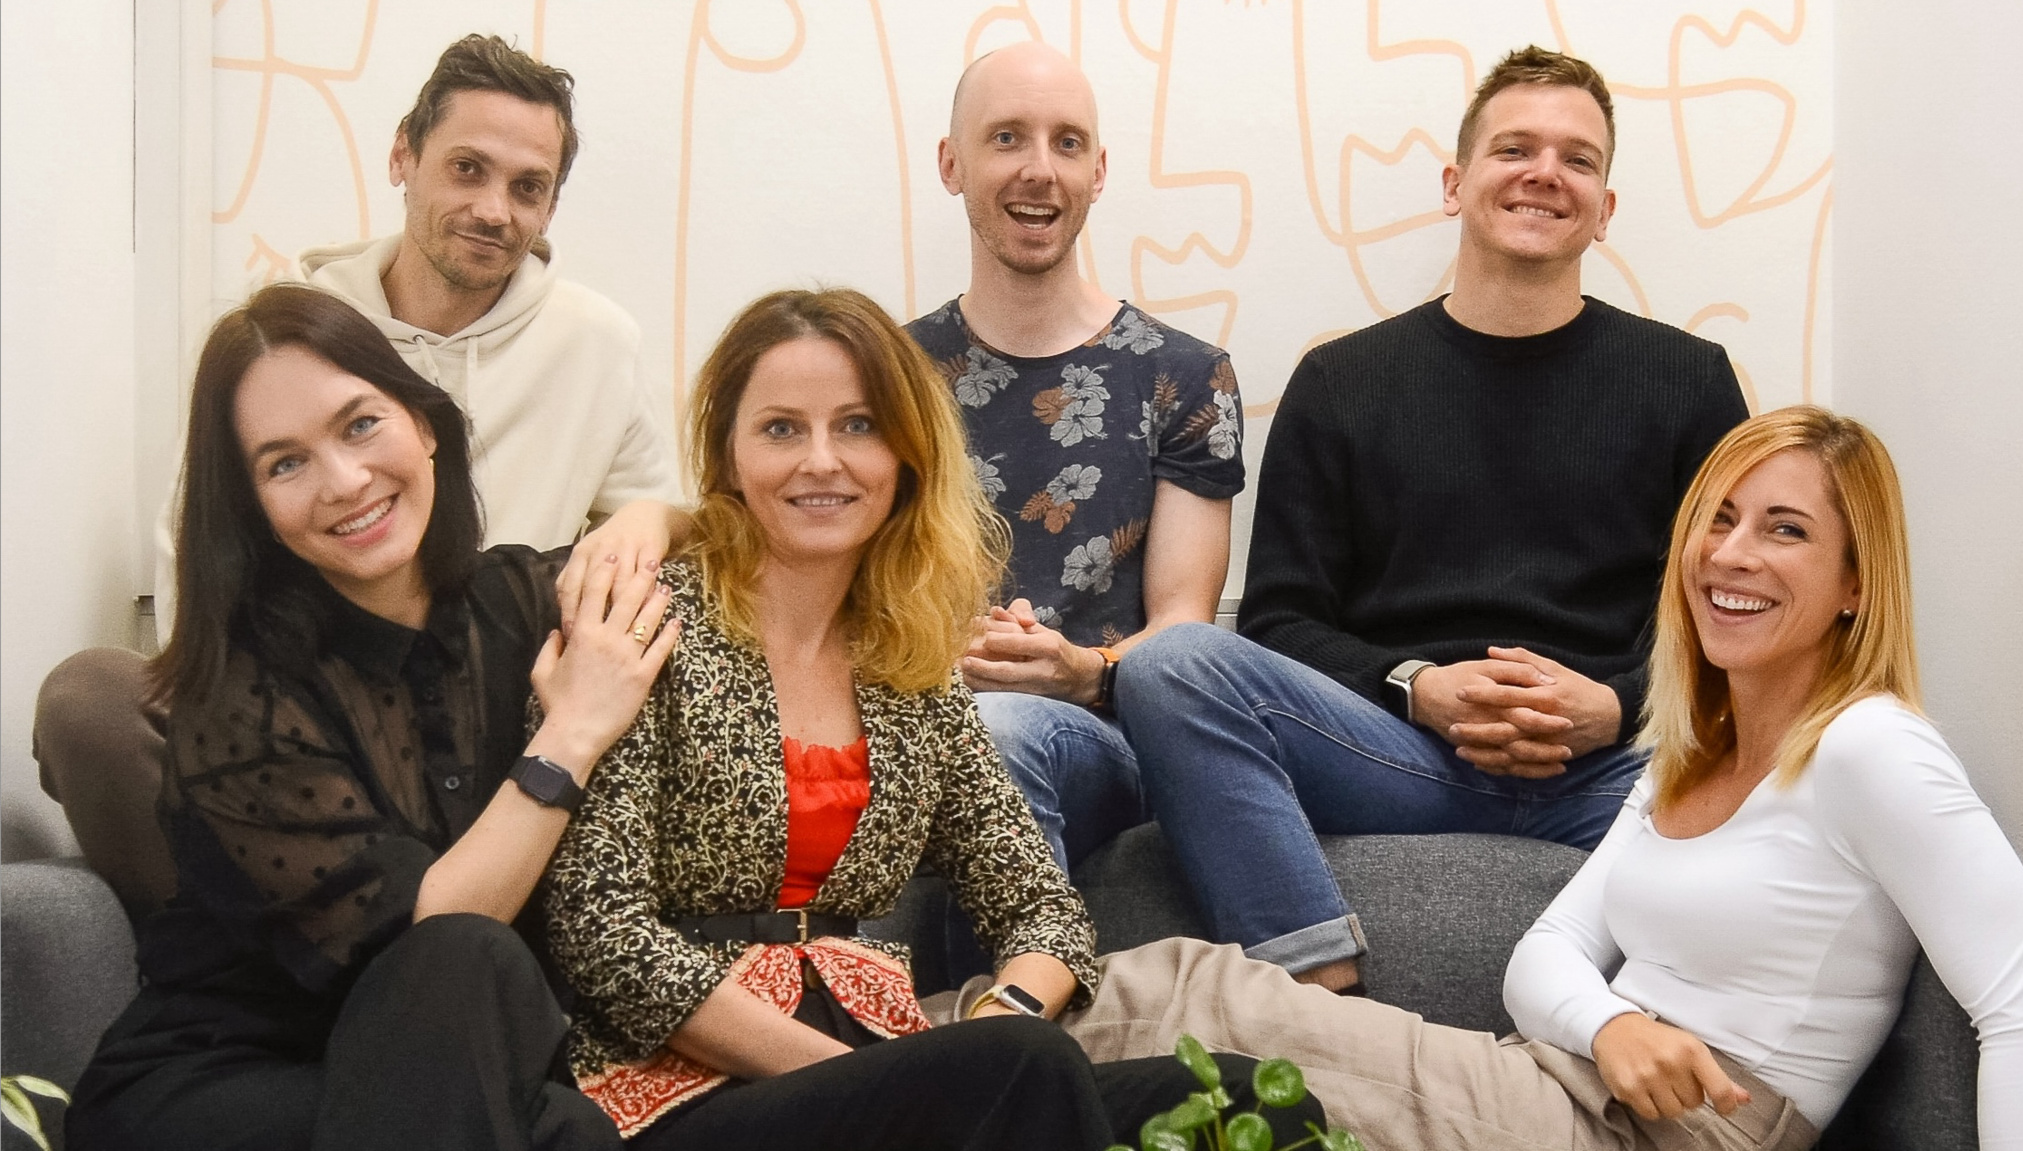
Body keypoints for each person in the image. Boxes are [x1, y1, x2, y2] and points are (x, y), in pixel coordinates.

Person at [1053, 407, 2023, 1150]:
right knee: (1189, 998)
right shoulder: (1683, 755)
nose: (1728, 554)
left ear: (1854, 584)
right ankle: (926, 1046)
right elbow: (1546, 955)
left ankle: (916, 1060)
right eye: (1719, 517)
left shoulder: (1869, 746)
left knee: (1204, 1008)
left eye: (1783, 529)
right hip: (1564, 1083)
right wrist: (1610, 1021)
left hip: (1687, 1130)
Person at [543, 288, 1321, 1149]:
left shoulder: (911, 666)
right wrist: (897, 1077)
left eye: (858, 426)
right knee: (1021, 1071)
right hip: (680, 1094)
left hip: (883, 1058)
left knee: (1249, 1100)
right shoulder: (649, 625)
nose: (821, 461)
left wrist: (1005, 1010)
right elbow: (598, 930)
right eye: (780, 428)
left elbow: (1041, 909)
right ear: (727, 457)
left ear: (906, 454)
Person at [1111, 45, 1751, 992]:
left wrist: (1613, 704)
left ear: (1606, 209)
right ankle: (1317, 990)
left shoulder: (1690, 381)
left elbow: (1729, 611)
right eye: (1515, 149)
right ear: (1456, 184)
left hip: (1621, 767)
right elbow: (1282, 619)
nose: (1545, 173)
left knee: (1845, 753)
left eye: (1578, 159)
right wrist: (1419, 685)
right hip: (1399, 751)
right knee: (1170, 664)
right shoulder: (1340, 381)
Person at [37, 33, 683, 923]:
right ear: (402, 157)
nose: (493, 208)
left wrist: (644, 523)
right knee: (89, 700)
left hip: (497, 723)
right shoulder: (293, 330)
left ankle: (387, 957)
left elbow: (674, 518)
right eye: (466, 168)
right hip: (301, 712)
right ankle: (260, 957)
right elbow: (203, 538)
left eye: (527, 187)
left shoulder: (598, 341)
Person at [65, 283, 682, 1150]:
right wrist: (571, 734)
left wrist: (646, 517)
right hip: (227, 1088)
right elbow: (433, 935)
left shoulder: (516, 599)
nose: (344, 481)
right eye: (285, 463)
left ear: (425, 424)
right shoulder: (238, 694)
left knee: (568, 1122)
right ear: (252, 507)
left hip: (451, 1072)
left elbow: (717, 537)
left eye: (361, 425)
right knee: (479, 971)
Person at [904, 42, 1244, 877]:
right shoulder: (889, 378)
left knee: (1006, 732)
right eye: (1007, 138)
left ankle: (1016, 999)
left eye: (1066, 143)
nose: (1038, 170)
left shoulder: (1187, 375)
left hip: (1109, 738)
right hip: (916, 719)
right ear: (952, 164)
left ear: (1098, 171)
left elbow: (1182, 629)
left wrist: (1081, 671)